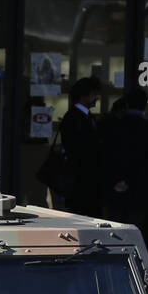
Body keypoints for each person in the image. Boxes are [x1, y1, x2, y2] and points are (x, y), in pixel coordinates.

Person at [103, 87, 148, 262]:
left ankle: (114, 260)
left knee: (115, 229)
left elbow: (108, 156)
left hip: (116, 187)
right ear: (145, 107)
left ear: (126, 104)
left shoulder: (114, 127)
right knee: (139, 229)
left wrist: (117, 180)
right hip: (140, 188)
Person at [59, 77, 103, 217]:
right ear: (84, 95)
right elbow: (77, 149)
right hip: (80, 178)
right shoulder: (75, 118)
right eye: (94, 94)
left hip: (86, 178)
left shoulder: (85, 116)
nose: (97, 97)